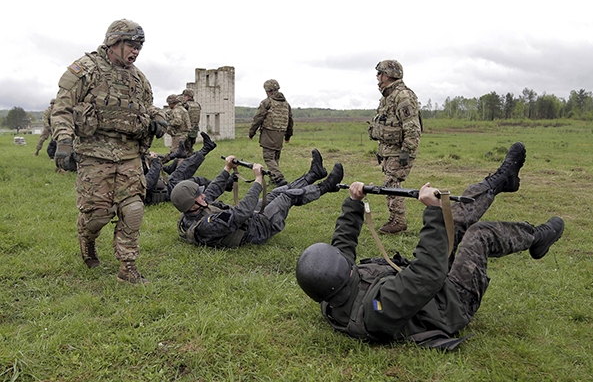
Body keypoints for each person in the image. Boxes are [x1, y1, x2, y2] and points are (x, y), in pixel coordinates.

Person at [296, 142, 565, 348]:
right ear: (346, 274)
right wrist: (433, 211)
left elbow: (343, 243)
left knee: (455, 216)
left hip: (424, 288)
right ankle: (537, 238)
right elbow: (428, 273)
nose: (346, 259)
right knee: (478, 235)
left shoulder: (333, 291)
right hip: (452, 301)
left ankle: (501, 180)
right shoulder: (378, 308)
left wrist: (354, 202)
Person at [51, 19, 168, 284]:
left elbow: (148, 106)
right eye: (131, 45)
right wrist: (64, 140)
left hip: (129, 154)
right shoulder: (85, 70)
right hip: (94, 154)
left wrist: (159, 117)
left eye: (139, 46)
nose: (135, 51)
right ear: (113, 42)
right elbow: (63, 108)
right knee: (98, 214)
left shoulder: (138, 78)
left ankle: (127, 270)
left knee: (134, 209)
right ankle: (87, 238)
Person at [171, 149, 342, 248]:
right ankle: (325, 186)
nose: (203, 195)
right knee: (286, 196)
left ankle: (313, 175)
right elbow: (242, 212)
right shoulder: (208, 225)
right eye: (199, 195)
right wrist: (258, 179)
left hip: (251, 219)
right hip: (259, 229)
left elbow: (214, 189)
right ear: (192, 204)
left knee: (276, 192)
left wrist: (227, 168)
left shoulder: (194, 209)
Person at [368, 60, 422, 234]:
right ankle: (395, 219)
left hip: (400, 151)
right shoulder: (387, 97)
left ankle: (398, 221)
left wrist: (407, 151)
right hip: (390, 150)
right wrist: (381, 151)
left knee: (392, 184)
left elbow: (412, 127)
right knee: (390, 184)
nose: (377, 77)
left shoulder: (403, 96)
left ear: (389, 75)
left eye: (379, 73)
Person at [144, 132, 218, 205]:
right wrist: (155, 160)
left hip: (167, 184)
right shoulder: (134, 183)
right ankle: (222, 184)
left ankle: (206, 148)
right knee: (194, 179)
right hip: (167, 191)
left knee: (184, 168)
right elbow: (150, 181)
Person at [248, 79, 294, 187]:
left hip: (269, 134)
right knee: (275, 158)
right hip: (280, 134)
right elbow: (290, 121)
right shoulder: (286, 104)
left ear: (267, 91)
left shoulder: (267, 102)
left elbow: (258, 118)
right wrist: (288, 136)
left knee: (268, 157)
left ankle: (279, 178)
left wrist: (251, 132)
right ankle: (273, 181)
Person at [181, 88, 201, 156]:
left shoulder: (186, 105)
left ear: (189, 96)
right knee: (190, 147)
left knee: (186, 148)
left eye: (184, 96)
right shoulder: (197, 105)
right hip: (195, 129)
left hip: (187, 129)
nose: (183, 97)